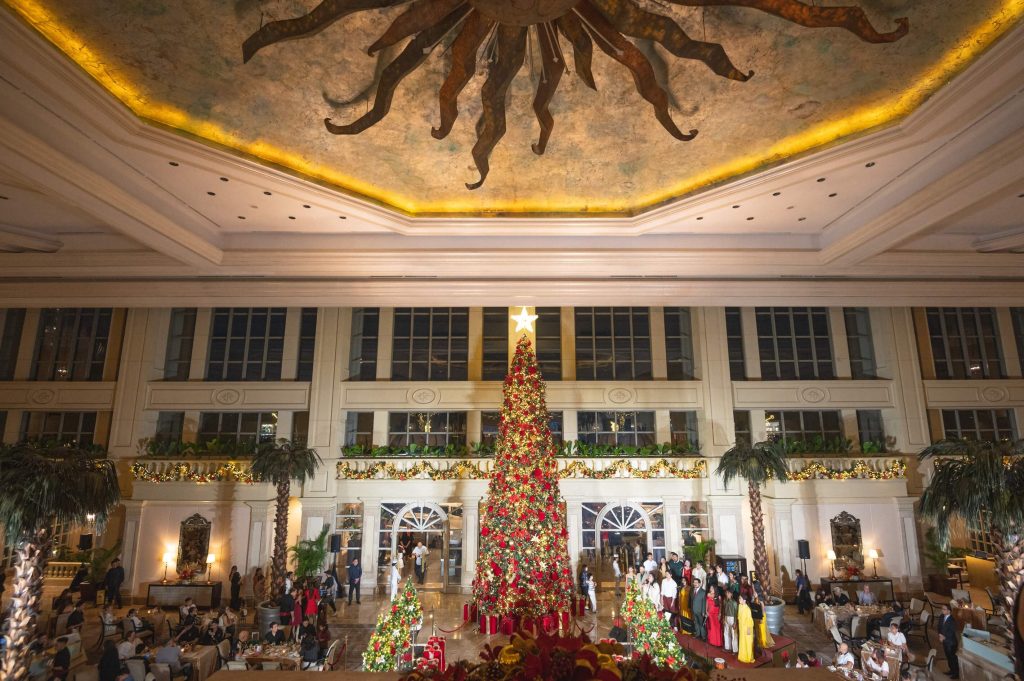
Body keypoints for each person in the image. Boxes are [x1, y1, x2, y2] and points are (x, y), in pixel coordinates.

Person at [938, 603, 960, 679]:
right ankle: (951, 670)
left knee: (953, 658)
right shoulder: (941, 617)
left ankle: (956, 673)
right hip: (944, 641)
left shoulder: (952, 620)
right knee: (948, 657)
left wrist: (944, 638)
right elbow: (939, 627)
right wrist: (940, 635)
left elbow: (951, 632)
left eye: (944, 609)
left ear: (949, 611)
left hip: (951, 642)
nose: (942, 610)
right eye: (942, 609)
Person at [736, 594, 755, 664]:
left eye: (740, 599)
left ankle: (748, 657)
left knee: (747, 642)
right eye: (739, 598)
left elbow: (750, 621)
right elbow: (739, 617)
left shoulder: (747, 609)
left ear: (744, 600)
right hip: (741, 628)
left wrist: (749, 631)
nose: (739, 600)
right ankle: (742, 656)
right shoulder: (740, 606)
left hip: (747, 629)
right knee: (742, 642)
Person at [722, 589, 738, 653]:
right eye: (726, 593)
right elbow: (723, 610)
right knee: (726, 633)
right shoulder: (725, 601)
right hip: (726, 617)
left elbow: (736, 613)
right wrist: (723, 618)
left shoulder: (734, 602)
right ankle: (727, 647)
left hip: (732, 618)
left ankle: (735, 650)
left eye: (728, 593)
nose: (727, 594)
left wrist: (735, 622)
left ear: (731, 594)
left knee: (734, 634)